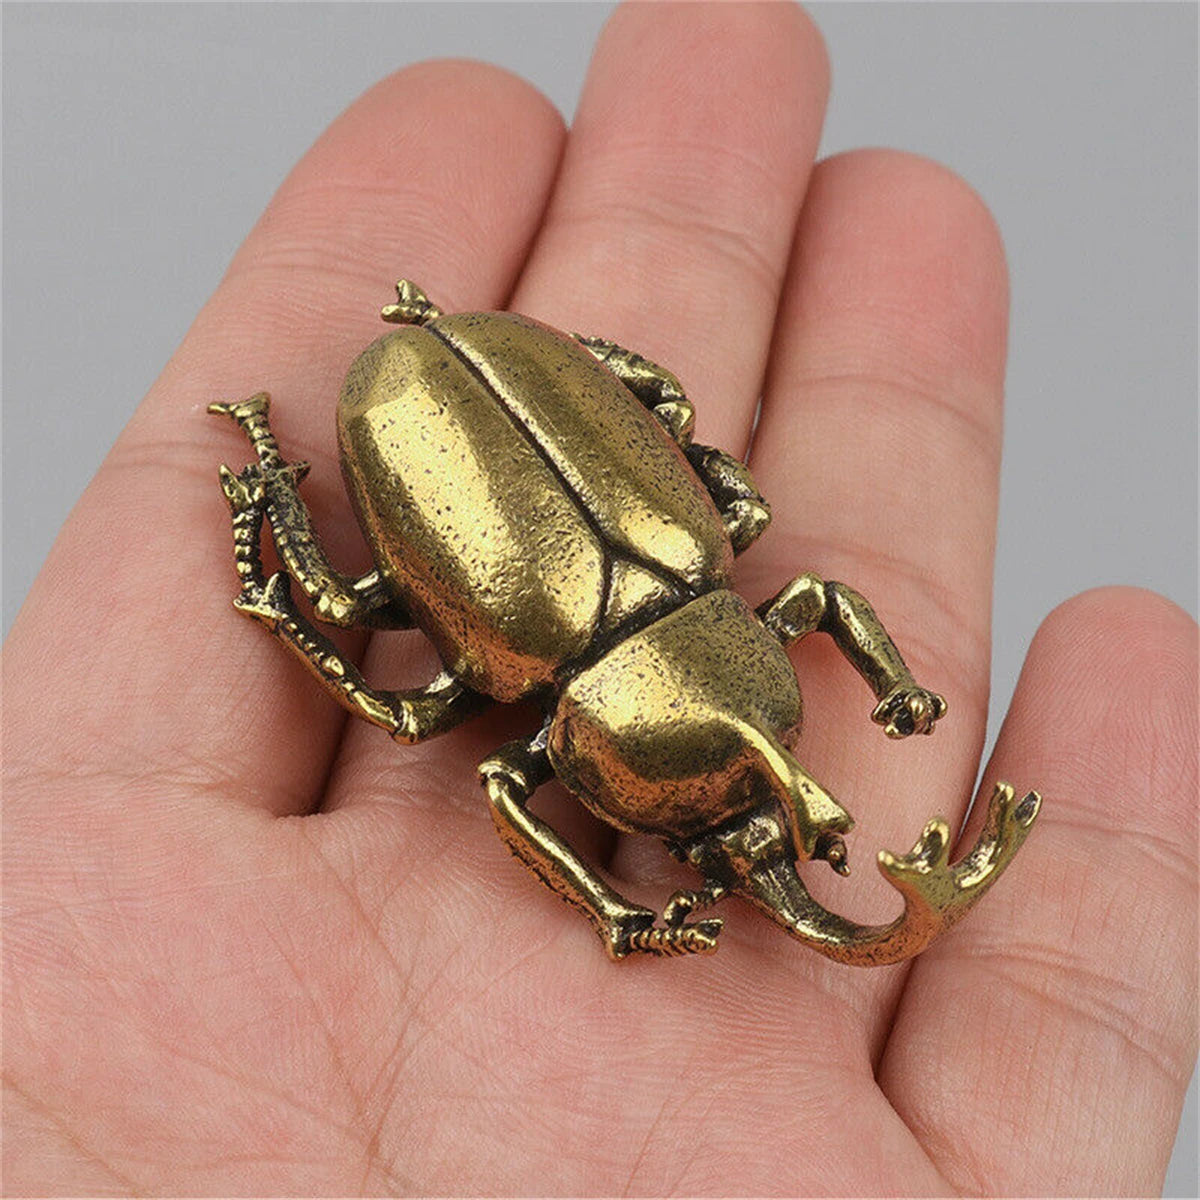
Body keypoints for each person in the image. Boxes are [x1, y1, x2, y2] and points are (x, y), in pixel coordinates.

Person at [3, 3, 1194, 1194]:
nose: (768, 830)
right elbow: (800, 594)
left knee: (373, 621)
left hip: (505, 414)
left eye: (716, 826)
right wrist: (886, 690)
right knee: (375, 655)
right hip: (466, 404)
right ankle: (281, 499)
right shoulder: (673, 570)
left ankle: (284, 492)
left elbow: (799, 573)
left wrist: (884, 691)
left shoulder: (696, 547)